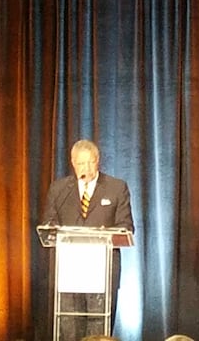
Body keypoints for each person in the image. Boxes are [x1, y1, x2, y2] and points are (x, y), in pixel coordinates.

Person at [42, 139, 135, 341]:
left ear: (98, 160)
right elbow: (49, 225)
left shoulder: (116, 188)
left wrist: (105, 234)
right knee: (69, 327)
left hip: (102, 269)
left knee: (97, 329)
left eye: (90, 162)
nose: (86, 168)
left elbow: (126, 227)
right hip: (68, 269)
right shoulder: (60, 190)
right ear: (73, 163)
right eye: (81, 163)